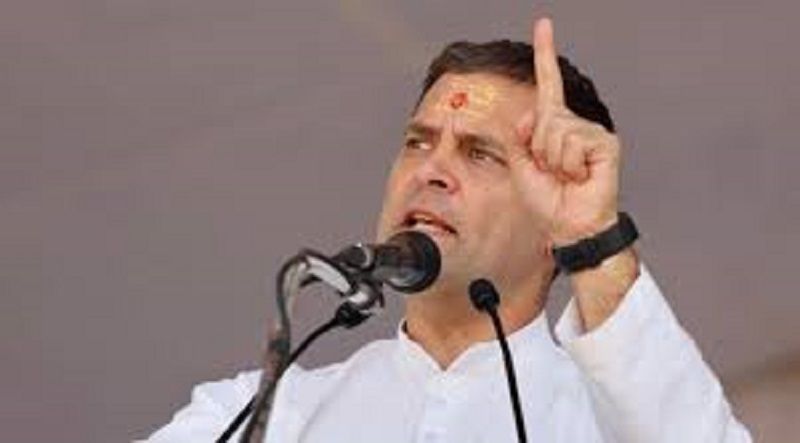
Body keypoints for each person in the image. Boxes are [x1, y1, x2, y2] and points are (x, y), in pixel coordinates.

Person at [146, 18, 751, 442]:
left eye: (480, 154)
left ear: (554, 228)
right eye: (418, 143)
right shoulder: (262, 413)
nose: (430, 170)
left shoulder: (613, 421)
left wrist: (595, 240)